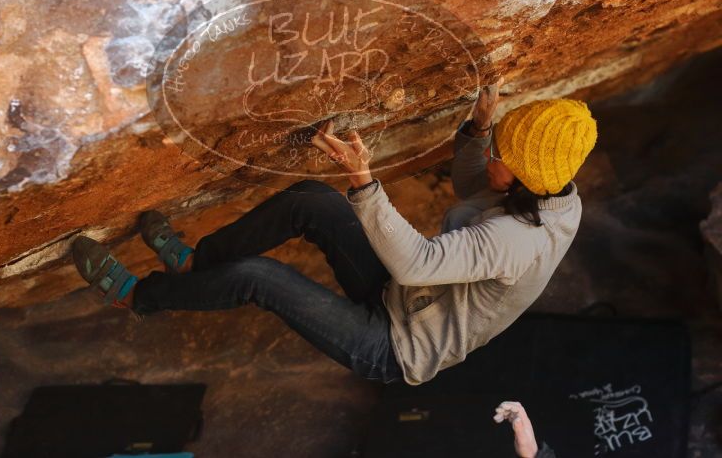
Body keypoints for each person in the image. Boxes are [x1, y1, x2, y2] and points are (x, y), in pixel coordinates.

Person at [71, 79, 597, 386]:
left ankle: (141, 297)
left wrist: (364, 183)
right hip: (405, 295)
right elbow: (472, 186)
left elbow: (417, 262)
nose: (492, 159)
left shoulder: (520, 240)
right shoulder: (546, 189)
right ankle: (194, 267)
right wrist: (482, 128)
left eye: (499, 154)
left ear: (526, 179)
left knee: (261, 278)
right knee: (312, 201)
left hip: (396, 343)